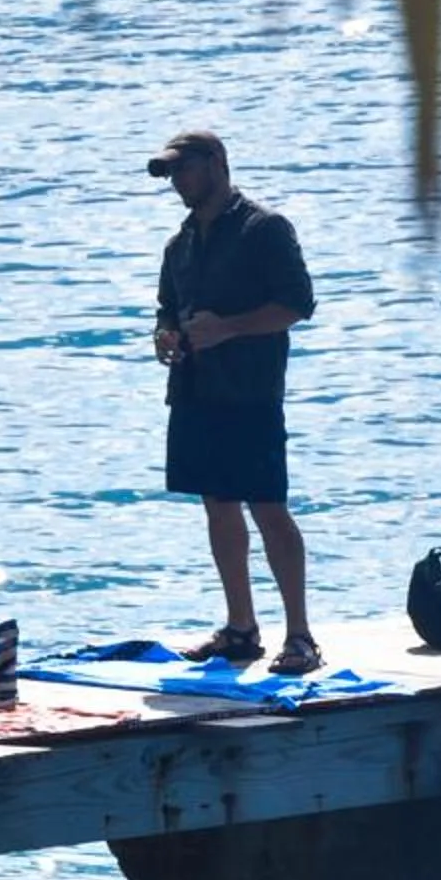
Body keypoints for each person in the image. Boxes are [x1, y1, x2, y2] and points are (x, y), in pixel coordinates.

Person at [148, 129, 323, 674]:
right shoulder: (179, 245)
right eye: (171, 174)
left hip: (250, 392)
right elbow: (166, 308)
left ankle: (300, 635)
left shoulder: (264, 229)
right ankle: (241, 628)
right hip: (196, 391)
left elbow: (297, 304)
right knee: (217, 507)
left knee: (268, 507)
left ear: (216, 164)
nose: (177, 182)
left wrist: (228, 329)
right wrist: (166, 335)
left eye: (184, 169)